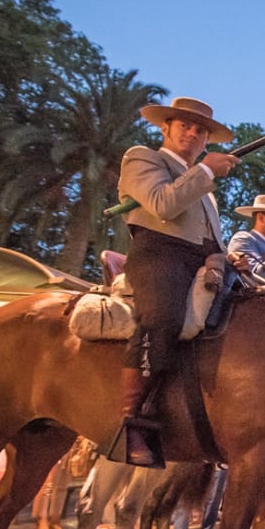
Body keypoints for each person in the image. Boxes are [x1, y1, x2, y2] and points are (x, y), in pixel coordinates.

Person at [111, 96, 241, 467]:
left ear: (207, 140)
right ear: (164, 128)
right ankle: (132, 420)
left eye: (201, 130)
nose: (193, 132)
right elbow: (162, 204)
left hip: (200, 262)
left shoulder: (204, 187)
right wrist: (207, 172)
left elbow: (211, 239)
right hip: (159, 256)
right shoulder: (143, 158)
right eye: (184, 125)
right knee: (162, 319)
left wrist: (229, 260)